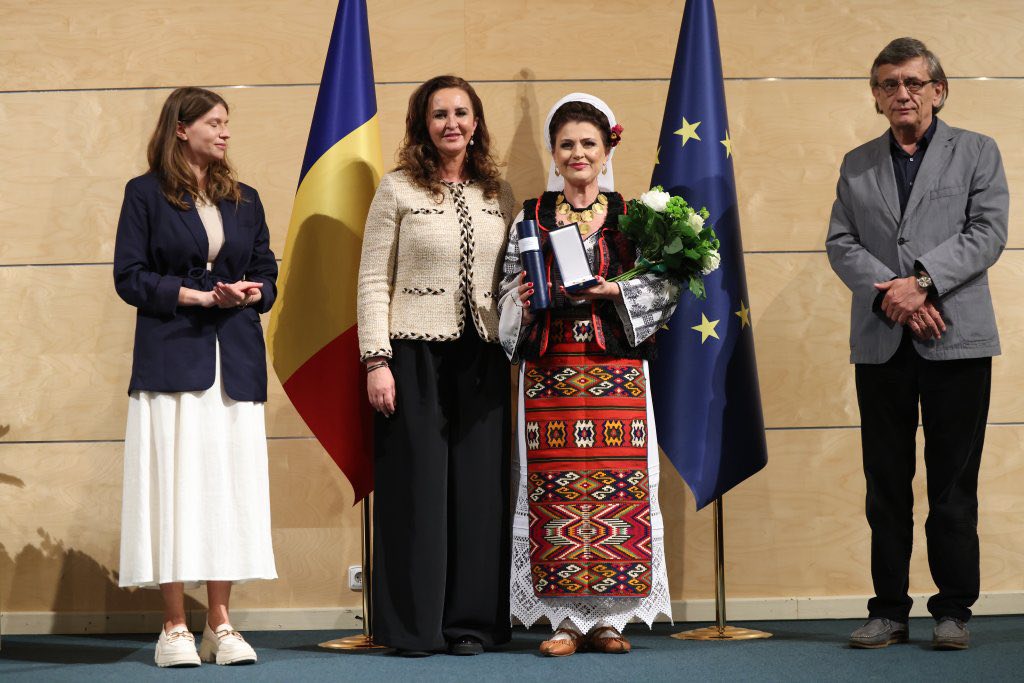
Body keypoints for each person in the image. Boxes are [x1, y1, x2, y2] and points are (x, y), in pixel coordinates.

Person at [826, 38, 1008, 651]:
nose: (900, 93)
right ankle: (888, 611)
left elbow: (987, 232)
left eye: (912, 82)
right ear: (876, 97)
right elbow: (841, 243)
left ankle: (953, 610)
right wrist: (895, 296)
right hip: (882, 341)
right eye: (887, 84)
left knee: (953, 484)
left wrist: (922, 283)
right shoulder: (856, 163)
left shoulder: (978, 151)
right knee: (885, 483)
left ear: (938, 90)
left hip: (957, 339)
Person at [498, 94, 678, 656]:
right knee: (555, 490)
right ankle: (563, 620)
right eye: (567, 144)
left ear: (606, 151)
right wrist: (521, 296)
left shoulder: (634, 215)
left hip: (616, 370)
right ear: (554, 153)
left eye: (588, 144)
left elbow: (664, 288)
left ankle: (610, 621)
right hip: (550, 370)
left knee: (616, 485)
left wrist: (615, 290)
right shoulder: (530, 216)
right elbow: (504, 288)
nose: (578, 153)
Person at [113, 87, 278, 667]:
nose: (225, 131)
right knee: (173, 486)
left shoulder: (245, 198)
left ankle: (220, 624)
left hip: (234, 361)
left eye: (227, 122)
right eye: (214, 122)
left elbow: (267, 272)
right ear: (181, 129)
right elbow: (129, 277)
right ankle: (174, 625)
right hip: (172, 357)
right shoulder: (144, 193)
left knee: (225, 488)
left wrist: (249, 292)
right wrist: (195, 295)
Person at [356, 75, 516, 657]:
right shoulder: (397, 188)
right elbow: (373, 279)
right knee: (417, 490)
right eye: (440, 114)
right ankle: (413, 627)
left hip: (484, 355)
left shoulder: (499, 192)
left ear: (476, 123)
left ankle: (471, 624)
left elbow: (513, 277)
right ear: (423, 124)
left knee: (479, 491)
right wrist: (376, 359)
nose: (452, 123)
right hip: (413, 352)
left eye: (461, 112)